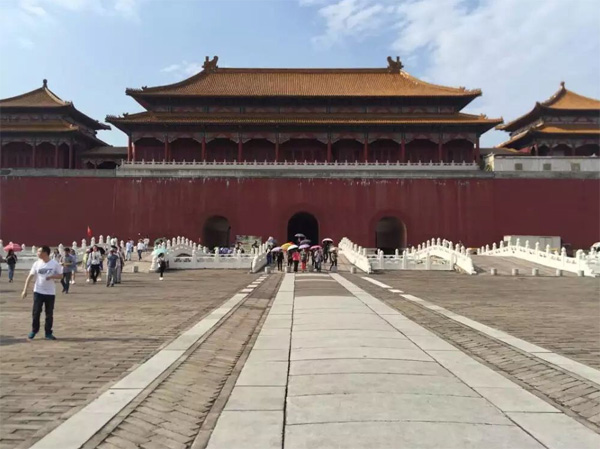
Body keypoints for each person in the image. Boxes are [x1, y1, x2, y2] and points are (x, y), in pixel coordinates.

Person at [21, 246, 63, 340]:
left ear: (45, 253)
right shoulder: (36, 264)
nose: (37, 253)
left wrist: (52, 277)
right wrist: (25, 290)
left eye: (39, 251)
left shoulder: (54, 264)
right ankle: (34, 330)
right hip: (38, 291)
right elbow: (30, 277)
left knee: (49, 313)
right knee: (36, 312)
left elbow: (61, 276)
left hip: (50, 292)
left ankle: (48, 332)